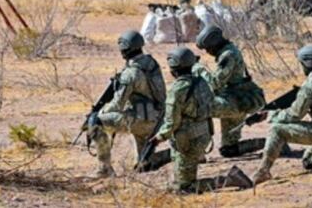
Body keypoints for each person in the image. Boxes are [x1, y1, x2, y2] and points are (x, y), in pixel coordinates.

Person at [148, 47, 252, 193]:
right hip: (203, 136)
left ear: (173, 69)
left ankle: (230, 179)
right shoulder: (202, 83)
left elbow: (172, 123)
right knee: (180, 180)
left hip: (187, 142)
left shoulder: (177, 90)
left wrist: (159, 137)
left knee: (184, 189)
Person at [252, 44, 312, 183]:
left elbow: (295, 114)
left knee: (276, 130)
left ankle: (263, 172)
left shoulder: (311, 84)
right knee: (308, 161)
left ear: (307, 63)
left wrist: (272, 115)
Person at [92, 31, 167, 177]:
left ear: (125, 49)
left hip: (140, 120)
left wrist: (100, 112)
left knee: (96, 122)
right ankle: (176, 155)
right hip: (157, 117)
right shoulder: (151, 63)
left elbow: (117, 104)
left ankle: (104, 168)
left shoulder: (131, 73)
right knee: (144, 164)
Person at [194, 25, 265, 157]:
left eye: (208, 48)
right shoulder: (229, 50)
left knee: (197, 108)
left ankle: (196, 150)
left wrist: (198, 68)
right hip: (236, 99)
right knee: (228, 150)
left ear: (214, 44)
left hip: (237, 102)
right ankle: (266, 144)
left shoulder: (228, 55)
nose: (207, 52)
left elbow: (215, 83)